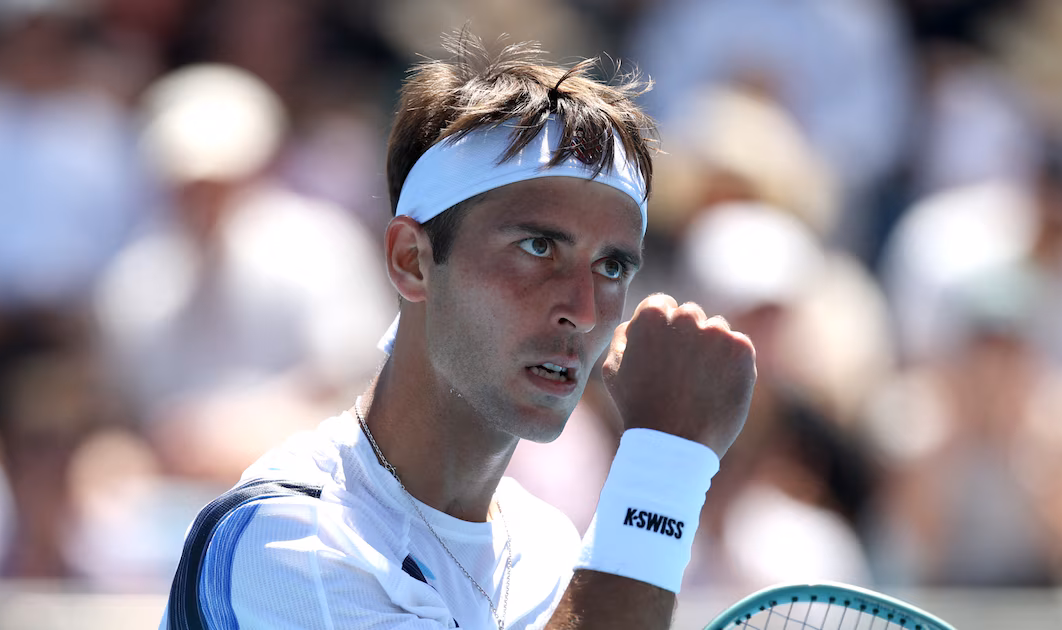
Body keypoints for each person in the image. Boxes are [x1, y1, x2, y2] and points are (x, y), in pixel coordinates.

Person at [159, 33, 756, 629]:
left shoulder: (548, 550)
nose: (584, 309)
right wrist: (662, 466)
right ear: (412, 261)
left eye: (612, 267)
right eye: (539, 246)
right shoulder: (286, 540)